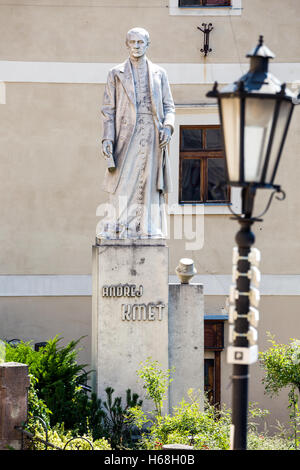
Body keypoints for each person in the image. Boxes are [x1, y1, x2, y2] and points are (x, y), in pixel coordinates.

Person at [98, 27, 175, 240]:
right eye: (132, 42)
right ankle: (119, 225)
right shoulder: (115, 73)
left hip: (152, 131)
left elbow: (169, 107)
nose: (136, 46)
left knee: (149, 179)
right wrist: (107, 138)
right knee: (125, 179)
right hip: (125, 133)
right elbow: (108, 110)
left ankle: (148, 227)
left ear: (147, 44)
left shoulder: (160, 73)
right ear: (127, 45)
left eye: (140, 42)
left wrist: (168, 127)